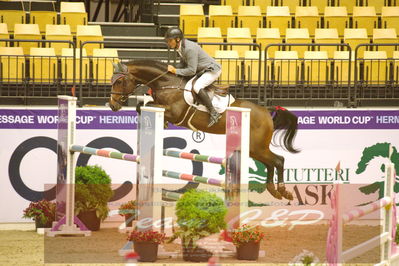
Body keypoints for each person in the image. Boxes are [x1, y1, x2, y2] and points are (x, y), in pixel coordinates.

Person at [164, 27, 222, 127]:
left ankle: (214, 112)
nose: (168, 43)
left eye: (170, 41)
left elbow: (191, 70)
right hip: (201, 70)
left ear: (178, 39)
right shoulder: (181, 47)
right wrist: (172, 70)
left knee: (197, 86)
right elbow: (183, 64)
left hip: (212, 70)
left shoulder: (189, 48)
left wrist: (175, 70)